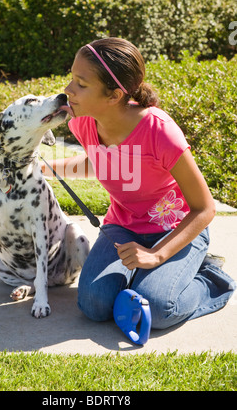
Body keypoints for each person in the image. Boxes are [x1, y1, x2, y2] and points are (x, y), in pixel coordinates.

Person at [42, 37, 235, 329]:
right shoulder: (82, 122)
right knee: (93, 305)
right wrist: (44, 167)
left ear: (114, 95)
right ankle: (150, 276)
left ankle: (210, 278)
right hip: (122, 228)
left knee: (158, 308)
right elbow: (101, 161)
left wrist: (157, 254)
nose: (68, 90)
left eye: (81, 83)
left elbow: (204, 208)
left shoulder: (160, 131)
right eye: (72, 79)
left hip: (175, 229)